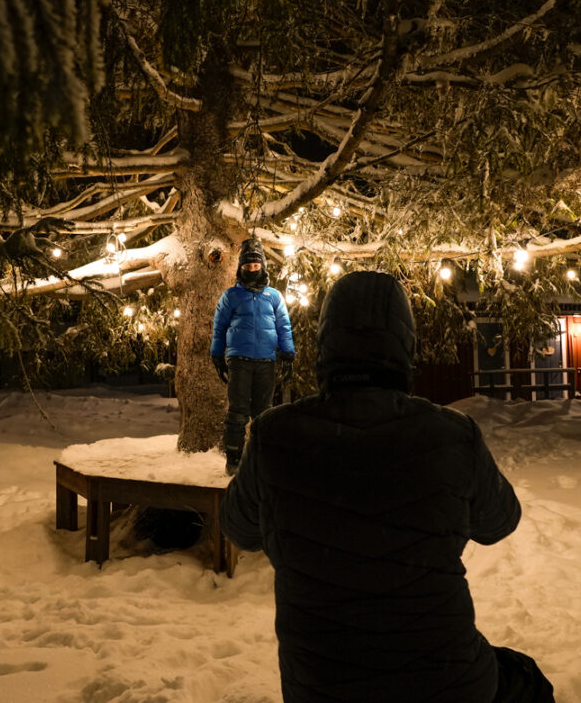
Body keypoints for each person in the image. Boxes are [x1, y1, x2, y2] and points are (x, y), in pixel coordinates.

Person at [221, 271, 555, 703]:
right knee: (526, 681)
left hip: (321, 688)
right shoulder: (450, 434)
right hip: (444, 682)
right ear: (405, 344)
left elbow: (239, 528)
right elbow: (500, 522)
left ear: (325, 343)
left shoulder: (274, 435)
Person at [210, 238, 296, 475]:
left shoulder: (274, 297)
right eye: (247, 266)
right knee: (237, 411)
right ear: (241, 267)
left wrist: (288, 353)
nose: (252, 269)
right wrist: (217, 355)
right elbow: (219, 327)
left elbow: (284, 326)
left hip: (266, 361)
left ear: (262, 266)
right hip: (239, 360)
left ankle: (262, 458)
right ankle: (233, 459)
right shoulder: (231, 296)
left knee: (264, 413)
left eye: (256, 266)